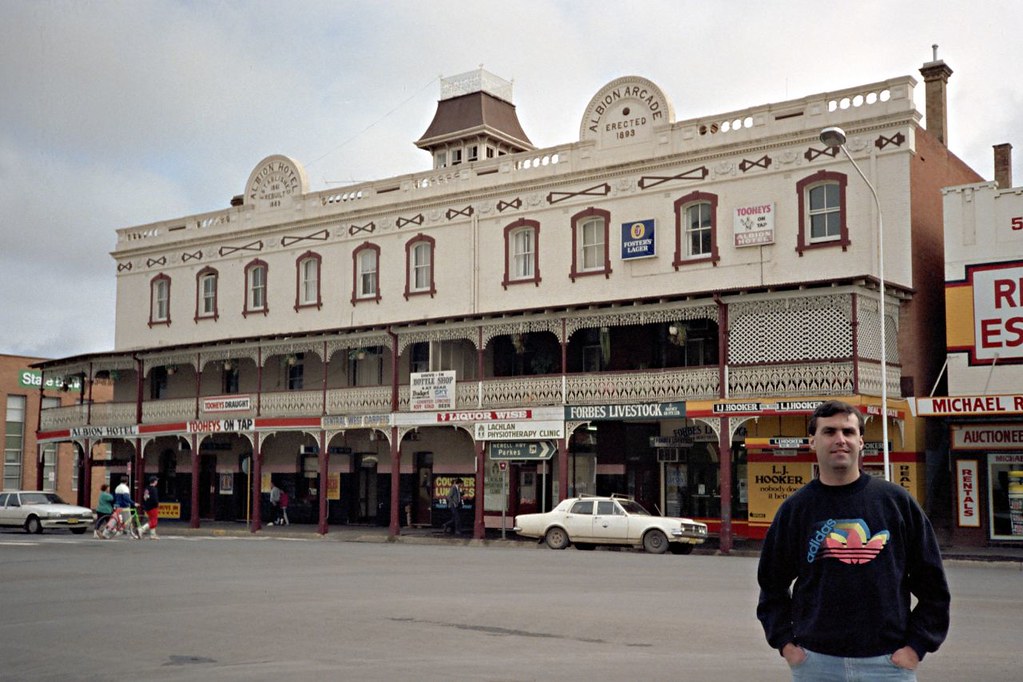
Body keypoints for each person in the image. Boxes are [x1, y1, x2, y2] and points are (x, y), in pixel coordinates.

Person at [757, 400, 950, 681]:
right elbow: (771, 585)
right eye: (829, 432)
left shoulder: (895, 503)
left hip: (887, 665)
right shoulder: (796, 509)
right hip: (817, 664)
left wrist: (915, 647)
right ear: (812, 441)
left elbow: (933, 585)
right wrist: (787, 645)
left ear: (861, 441)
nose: (840, 440)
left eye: (848, 432)